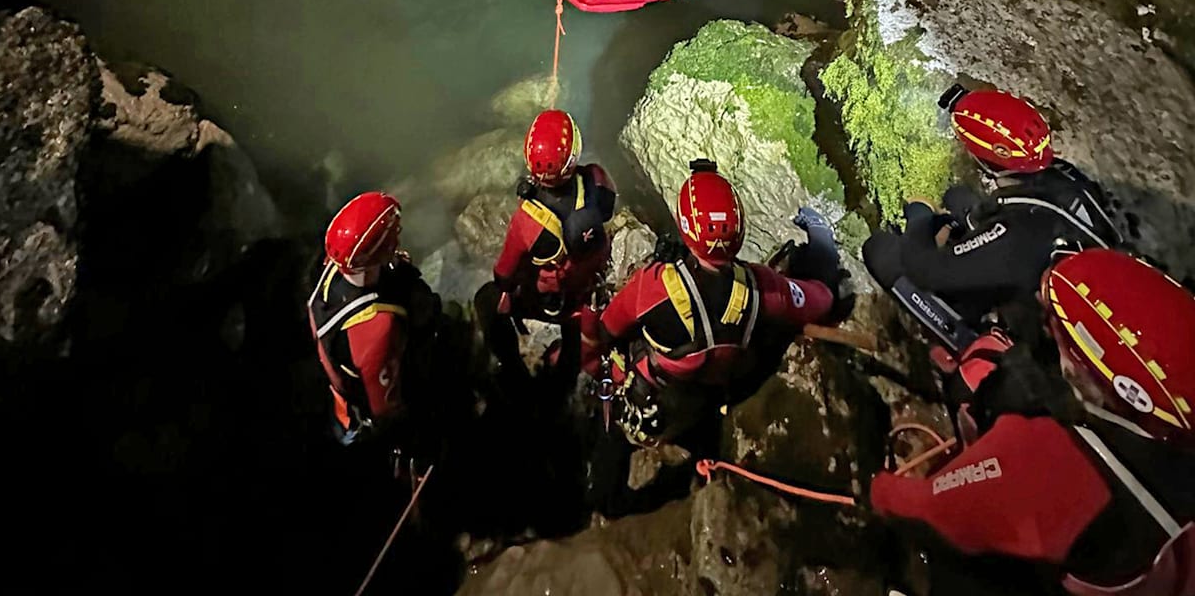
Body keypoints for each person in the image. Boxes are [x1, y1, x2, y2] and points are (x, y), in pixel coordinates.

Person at [871, 248, 1195, 596]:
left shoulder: (1045, 459)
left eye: (1057, 328)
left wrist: (876, 489)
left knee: (960, 564)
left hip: (1079, 562)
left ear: (1085, 371)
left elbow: (924, 510)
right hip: (1149, 564)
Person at [584, 159, 845, 449]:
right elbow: (820, 300)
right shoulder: (762, 288)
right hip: (710, 394)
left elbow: (607, 329)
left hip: (661, 402)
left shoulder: (653, 285)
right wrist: (821, 237)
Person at [863, 85, 1123, 354]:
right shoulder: (1064, 174)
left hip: (1042, 329)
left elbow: (925, 270)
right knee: (957, 197)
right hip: (1065, 258)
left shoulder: (1013, 231)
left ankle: (971, 340)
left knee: (882, 252)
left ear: (989, 158)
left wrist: (919, 213)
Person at [475, 109, 616, 393]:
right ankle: (568, 367)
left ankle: (513, 369)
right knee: (574, 335)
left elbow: (505, 272)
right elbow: (607, 207)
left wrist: (534, 198)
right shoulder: (597, 180)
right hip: (586, 290)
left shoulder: (527, 219)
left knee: (487, 299)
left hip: (550, 298)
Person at [306, 191, 443, 454]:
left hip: (341, 384)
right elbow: (386, 406)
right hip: (365, 408)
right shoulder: (377, 325)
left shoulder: (329, 269)